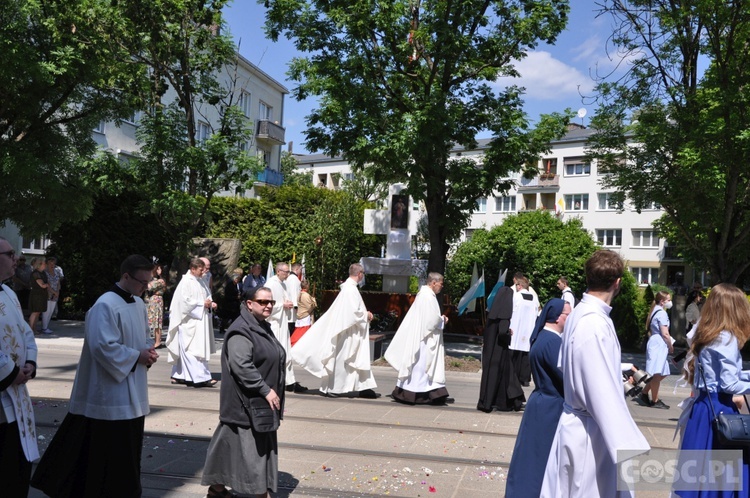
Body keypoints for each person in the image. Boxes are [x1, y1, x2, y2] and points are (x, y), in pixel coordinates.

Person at [31, 254, 159, 497]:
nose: (146, 287)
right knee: (107, 451)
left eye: (148, 282)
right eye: (142, 282)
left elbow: (144, 336)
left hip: (133, 387)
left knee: (128, 449)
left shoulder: (139, 303)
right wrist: (136, 356)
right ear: (125, 276)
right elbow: (102, 347)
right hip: (109, 392)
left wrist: (148, 351)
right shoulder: (105, 304)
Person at [540, 250, 650, 497]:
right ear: (617, 282)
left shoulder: (582, 312)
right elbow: (600, 394)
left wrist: (616, 371)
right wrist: (627, 443)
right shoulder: (594, 321)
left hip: (579, 422)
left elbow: (570, 364)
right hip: (589, 431)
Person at [201, 286, 286, 498]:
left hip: (252, 406)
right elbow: (242, 365)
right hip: (246, 405)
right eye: (263, 302)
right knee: (253, 455)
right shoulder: (241, 330)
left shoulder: (260, 326)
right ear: (249, 304)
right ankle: (258, 494)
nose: (268, 306)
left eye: (271, 302)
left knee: (228, 449)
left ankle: (217, 490)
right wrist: (266, 390)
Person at [675, 283, 750, 498]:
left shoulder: (708, 334)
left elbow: (719, 379)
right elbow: (729, 385)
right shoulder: (727, 338)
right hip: (720, 410)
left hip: (703, 410)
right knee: (722, 480)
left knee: (701, 479)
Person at [506, 298, 570, 498]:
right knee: (540, 458)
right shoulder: (553, 342)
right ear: (558, 317)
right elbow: (567, 377)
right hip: (549, 407)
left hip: (541, 402)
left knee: (530, 455)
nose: (571, 318)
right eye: (568, 314)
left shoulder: (543, 337)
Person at [292, 263, 378, 398]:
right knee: (344, 359)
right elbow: (353, 313)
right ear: (360, 274)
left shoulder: (349, 288)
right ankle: (335, 388)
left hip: (351, 330)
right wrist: (366, 315)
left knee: (354, 359)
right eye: (363, 274)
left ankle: (363, 387)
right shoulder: (350, 290)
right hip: (347, 332)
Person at [0, 238, 39, 497]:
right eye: (10, 253)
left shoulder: (9, 293)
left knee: (16, 469)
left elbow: (25, 332)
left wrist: (29, 363)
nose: (17, 258)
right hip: (3, 393)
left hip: (17, 396)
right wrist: (12, 373)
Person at [384, 272, 452, 405]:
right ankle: (416, 394)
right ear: (433, 282)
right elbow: (430, 320)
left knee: (419, 368)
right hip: (424, 339)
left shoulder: (425, 295)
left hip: (421, 336)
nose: (441, 287)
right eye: (440, 284)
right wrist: (443, 319)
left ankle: (415, 392)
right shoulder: (428, 296)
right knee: (421, 367)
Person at [165, 258, 218, 388]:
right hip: (189, 322)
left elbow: (207, 296)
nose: (203, 271)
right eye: (201, 269)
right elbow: (184, 303)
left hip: (199, 320)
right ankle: (201, 377)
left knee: (191, 348)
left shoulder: (200, 281)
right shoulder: (186, 282)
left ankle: (180, 374)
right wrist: (202, 304)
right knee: (192, 349)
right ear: (193, 269)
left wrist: (210, 303)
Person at [477, 284, 525, 412]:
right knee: (506, 376)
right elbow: (503, 333)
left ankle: (487, 402)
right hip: (500, 351)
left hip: (490, 350)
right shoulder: (504, 316)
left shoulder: (492, 316)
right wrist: (509, 333)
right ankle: (510, 401)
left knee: (492, 376)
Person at [266, 262, 302, 392]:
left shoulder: (282, 284)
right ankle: (277, 380)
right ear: (278, 272)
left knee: (285, 351)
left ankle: (289, 381)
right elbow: (266, 305)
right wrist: (283, 305)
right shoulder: (271, 284)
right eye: (286, 272)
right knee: (278, 352)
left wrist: (287, 303)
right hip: (275, 323)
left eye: (288, 271)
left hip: (282, 322)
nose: (288, 274)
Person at [639, 290, 673, 409]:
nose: (670, 302)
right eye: (668, 300)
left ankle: (644, 392)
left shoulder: (655, 311)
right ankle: (655, 400)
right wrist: (670, 345)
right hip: (659, 343)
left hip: (656, 342)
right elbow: (665, 333)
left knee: (661, 372)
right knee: (657, 373)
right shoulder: (662, 313)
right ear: (662, 302)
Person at [290, 279, 317, 347]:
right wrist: (314, 301)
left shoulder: (300, 294)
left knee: (300, 333)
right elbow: (310, 307)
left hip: (301, 315)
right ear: (307, 286)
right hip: (305, 316)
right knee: (302, 334)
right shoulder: (305, 295)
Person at [147, 264, 167, 349]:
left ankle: (158, 341)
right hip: (154, 300)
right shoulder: (158, 280)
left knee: (157, 321)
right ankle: (156, 340)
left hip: (156, 301)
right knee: (155, 321)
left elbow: (149, 287)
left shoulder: (160, 281)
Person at [40, 257, 62, 333]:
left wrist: (57, 292)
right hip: (47, 294)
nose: (52, 265)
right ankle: (44, 328)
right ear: (47, 264)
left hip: (55, 294)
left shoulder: (56, 271)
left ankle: (46, 326)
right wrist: (54, 292)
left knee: (51, 311)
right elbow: (47, 284)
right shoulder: (45, 272)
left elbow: (58, 282)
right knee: (46, 311)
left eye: (53, 263)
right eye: (50, 263)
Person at [27, 257, 49, 334]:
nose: (45, 265)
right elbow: (42, 285)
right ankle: (30, 330)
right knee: (35, 312)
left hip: (41, 295)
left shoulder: (42, 273)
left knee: (38, 312)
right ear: (39, 264)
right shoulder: (36, 273)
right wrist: (46, 285)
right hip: (36, 295)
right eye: (44, 263)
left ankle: (34, 329)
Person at [286, 262, 302, 335]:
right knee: (291, 328)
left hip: (292, 307)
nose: (301, 271)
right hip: (292, 309)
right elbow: (294, 293)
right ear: (296, 269)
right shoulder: (293, 279)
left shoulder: (291, 278)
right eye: (300, 269)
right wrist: (296, 307)